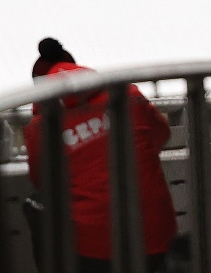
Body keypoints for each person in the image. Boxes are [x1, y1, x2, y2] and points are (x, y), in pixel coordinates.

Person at [25, 38, 180, 272]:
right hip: (156, 236)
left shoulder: (41, 126)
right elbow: (161, 135)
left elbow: (43, 182)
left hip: (95, 248)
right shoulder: (128, 95)